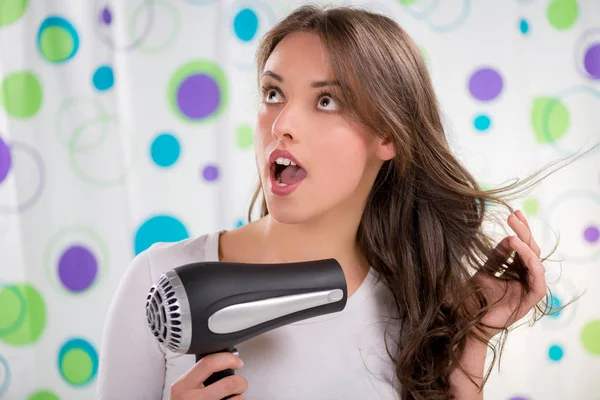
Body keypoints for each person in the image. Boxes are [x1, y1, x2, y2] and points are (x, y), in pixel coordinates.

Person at [96, 4, 593, 400]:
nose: (282, 122)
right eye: (272, 92)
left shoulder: (414, 311)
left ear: (387, 136)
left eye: (326, 100)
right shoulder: (160, 281)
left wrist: (472, 346)